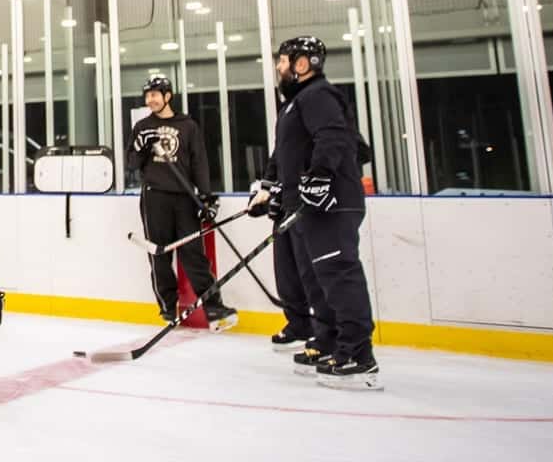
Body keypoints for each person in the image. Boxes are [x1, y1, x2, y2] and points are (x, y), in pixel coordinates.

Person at [248, 35, 380, 390]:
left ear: (302, 64)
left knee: (338, 274)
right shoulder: (295, 103)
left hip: (332, 203)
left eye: (283, 61)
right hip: (306, 206)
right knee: (316, 279)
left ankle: (358, 354)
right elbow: (288, 156)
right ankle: (328, 340)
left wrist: (320, 177)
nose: (278, 67)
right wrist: (275, 190)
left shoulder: (318, 95)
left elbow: (335, 138)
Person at [132, 74, 236, 329]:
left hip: (184, 197)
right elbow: (132, 163)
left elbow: (199, 161)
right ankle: (168, 308)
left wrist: (207, 195)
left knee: (193, 253)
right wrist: (142, 147)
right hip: (154, 196)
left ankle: (214, 308)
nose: (150, 99)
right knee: (160, 254)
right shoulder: (142, 126)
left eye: (155, 94)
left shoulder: (187, 125)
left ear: (168, 96)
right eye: (148, 95)